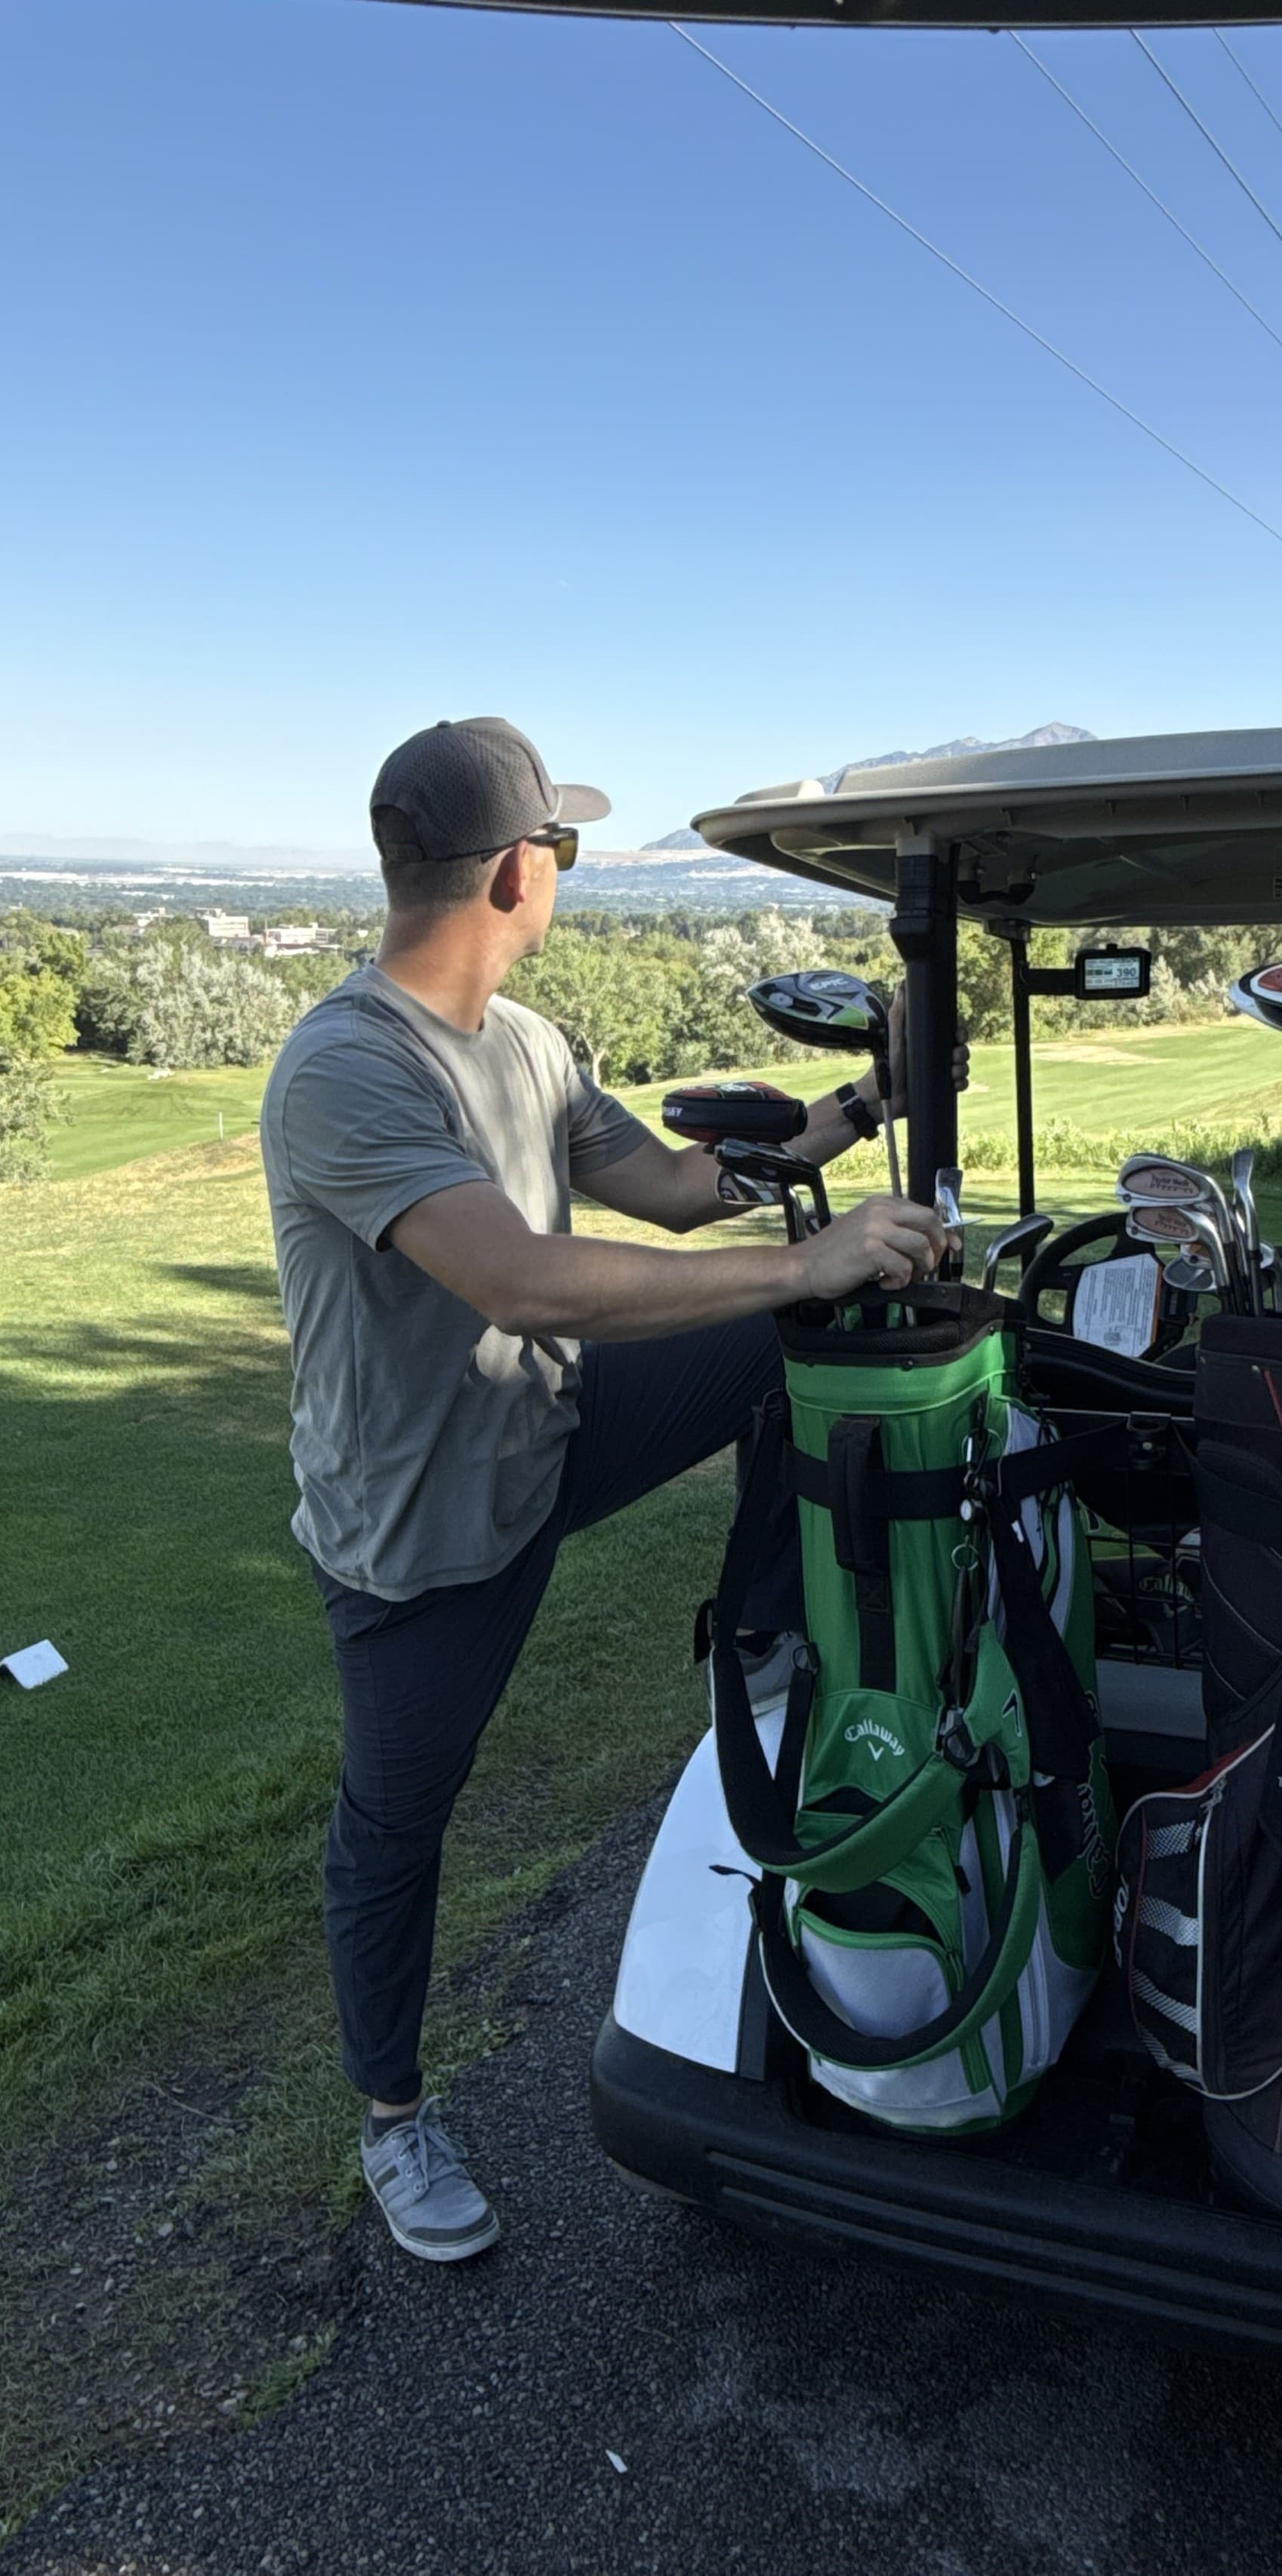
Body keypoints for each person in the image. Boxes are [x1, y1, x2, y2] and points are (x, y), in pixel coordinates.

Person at [260, 716, 952, 2262]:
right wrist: (810, 1249)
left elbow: (674, 1190)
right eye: (559, 847)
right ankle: (393, 2121)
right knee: (395, 1822)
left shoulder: (529, 1041)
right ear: (520, 868)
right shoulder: (347, 1069)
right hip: (421, 1532)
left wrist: (856, 1118)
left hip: (549, 1429)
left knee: (793, 1330)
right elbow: (521, 1278)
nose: (559, 870)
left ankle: (772, 1643)